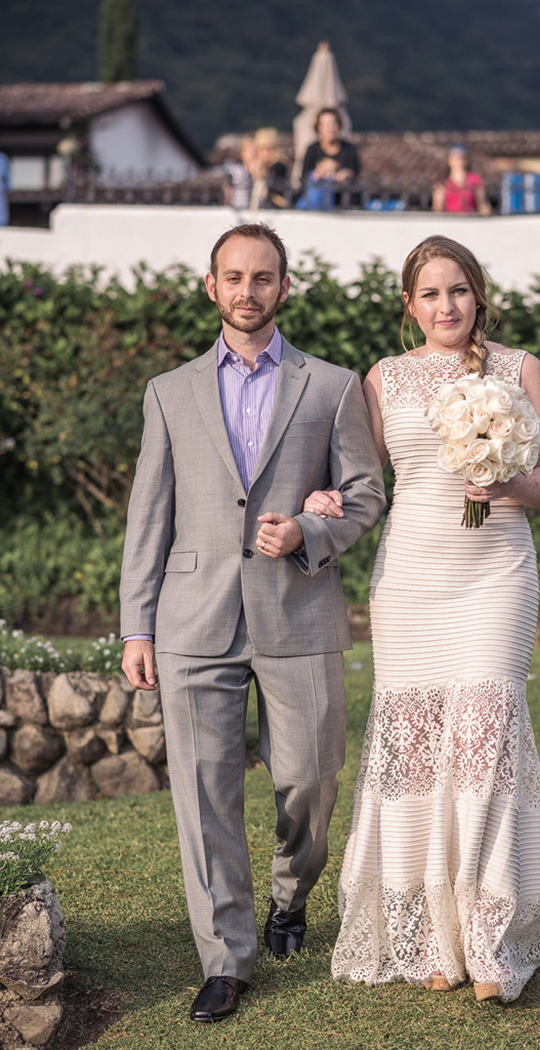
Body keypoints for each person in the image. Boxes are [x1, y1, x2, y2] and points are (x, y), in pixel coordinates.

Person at [120, 223, 385, 1023]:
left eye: (263, 277)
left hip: (298, 609)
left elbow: (368, 494)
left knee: (310, 777)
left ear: (285, 287)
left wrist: (311, 532)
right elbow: (149, 515)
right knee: (204, 794)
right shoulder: (169, 391)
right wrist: (137, 626)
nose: (248, 291)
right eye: (233, 277)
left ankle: (289, 893)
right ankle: (226, 960)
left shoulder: (332, 386)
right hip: (191, 617)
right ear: (211, 287)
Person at [303, 235, 540, 1001]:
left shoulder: (521, 370)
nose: (445, 306)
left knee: (484, 736)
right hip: (412, 577)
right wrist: (324, 497)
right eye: (429, 294)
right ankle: (431, 935)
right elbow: (356, 477)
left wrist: (505, 486)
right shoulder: (383, 379)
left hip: (496, 573)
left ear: (477, 294)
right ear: (409, 305)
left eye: (457, 291)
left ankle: (489, 939)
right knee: (420, 753)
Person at [301, 108, 359, 189]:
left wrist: (344, 175)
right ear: (319, 128)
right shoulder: (312, 150)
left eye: (333, 124)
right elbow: (304, 177)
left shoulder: (349, 149)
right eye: (326, 125)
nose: (330, 129)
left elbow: (355, 174)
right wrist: (318, 174)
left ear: (339, 126)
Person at [432, 144, 490, 215]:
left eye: (461, 158)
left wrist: (485, 210)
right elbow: (437, 208)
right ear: (449, 160)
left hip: (471, 220)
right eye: (455, 159)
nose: (458, 162)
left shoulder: (475, 180)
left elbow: (482, 204)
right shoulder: (443, 182)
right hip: (450, 220)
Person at [250, 127, 289, 209]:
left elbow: (279, 194)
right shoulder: (257, 168)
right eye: (261, 149)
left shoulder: (278, 168)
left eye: (269, 149)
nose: (265, 153)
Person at [223, 135, 256, 209]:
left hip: (253, 208)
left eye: (253, 151)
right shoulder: (235, 171)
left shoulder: (259, 170)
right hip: (237, 207)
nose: (251, 154)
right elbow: (228, 187)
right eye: (248, 151)